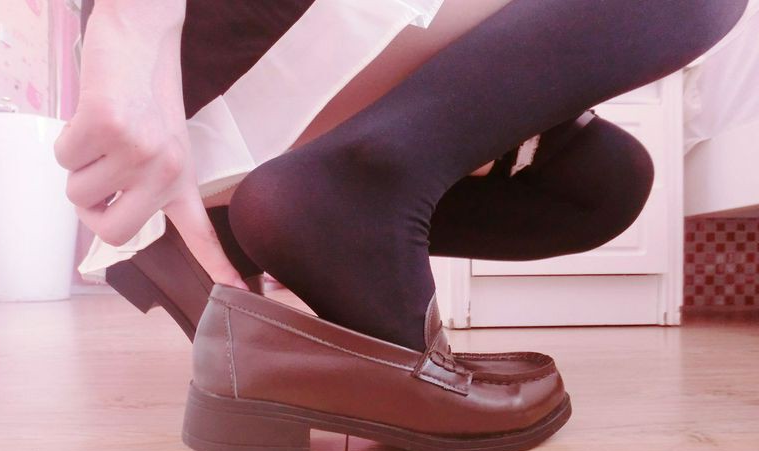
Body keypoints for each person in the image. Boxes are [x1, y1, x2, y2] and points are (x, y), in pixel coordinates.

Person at [59, 0, 749, 352]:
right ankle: (341, 193)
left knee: (605, 182)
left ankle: (251, 219)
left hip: (209, 92)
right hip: (205, 43)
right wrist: (127, 28)